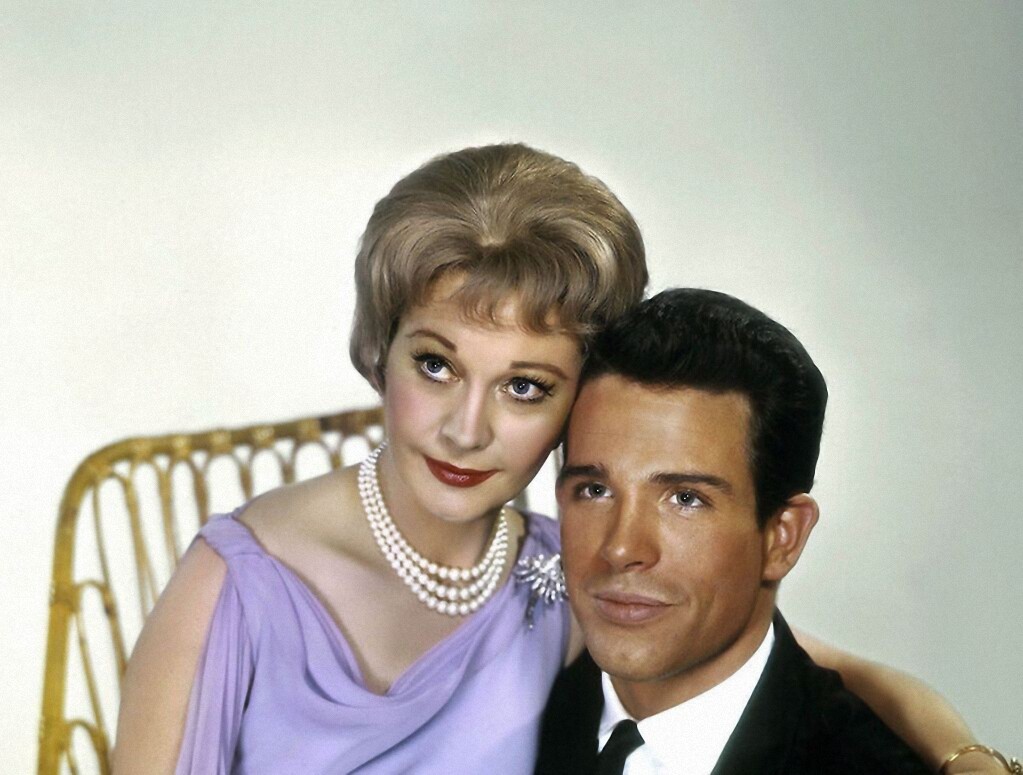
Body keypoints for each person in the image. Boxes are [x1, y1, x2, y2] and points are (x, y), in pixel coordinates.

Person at [114, 145, 984, 775]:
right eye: (436, 364)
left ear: (579, 404)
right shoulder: (237, 581)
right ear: (380, 348)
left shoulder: (560, 575)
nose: (466, 429)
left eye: (524, 386)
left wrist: (965, 757)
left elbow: (804, 669)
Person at [536, 289, 1014, 775]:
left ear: (783, 536)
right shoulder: (520, 699)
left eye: (685, 499)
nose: (620, 548)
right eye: (595, 490)